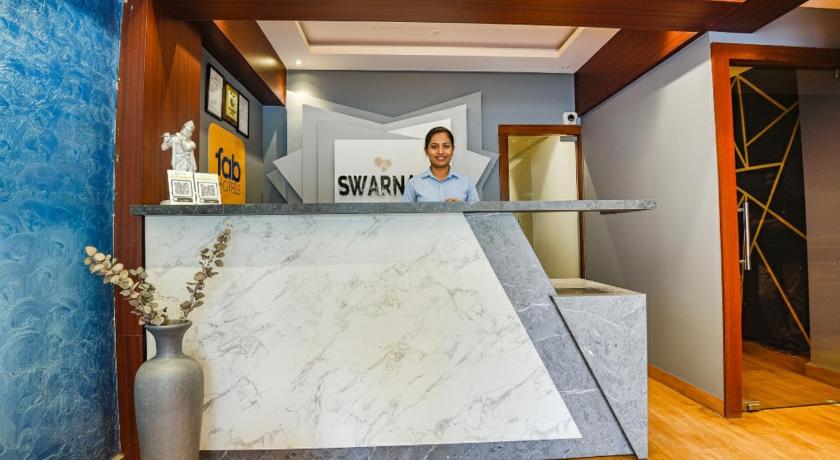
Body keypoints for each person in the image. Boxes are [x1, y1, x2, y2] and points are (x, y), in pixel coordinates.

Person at [402, 126, 479, 202]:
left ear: (453, 150)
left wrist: (462, 207)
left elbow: (478, 211)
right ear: (426, 151)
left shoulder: (467, 183)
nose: (440, 152)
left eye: (446, 146)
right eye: (434, 147)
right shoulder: (414, 184)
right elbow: (404, 211)